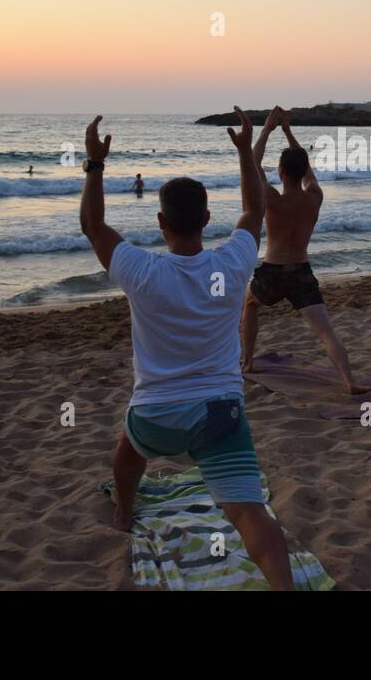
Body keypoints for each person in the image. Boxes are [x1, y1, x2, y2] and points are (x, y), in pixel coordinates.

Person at [80, 110, 294, 589]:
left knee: (128, 450)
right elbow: (254, 212)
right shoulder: (233, 262)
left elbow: (93, 224)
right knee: (250, 514)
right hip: (219, 416)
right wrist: (245, 154)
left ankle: (122, 510)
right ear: (206, 220)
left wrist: (95, 164)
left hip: (155, 415)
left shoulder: (142, 270)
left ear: (160, 223)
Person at [241, 107, 370, 394]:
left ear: (281, 172)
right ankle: (350, 381)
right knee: (325, 331)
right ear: (303, 171)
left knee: (250, 304)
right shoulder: (315, 198)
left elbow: (251, 163)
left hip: (272, 271)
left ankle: (247, 362)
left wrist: (266, 129)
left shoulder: (272, 200)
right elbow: (307, 169)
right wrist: (288, 132)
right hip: (302, 271)